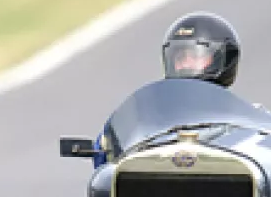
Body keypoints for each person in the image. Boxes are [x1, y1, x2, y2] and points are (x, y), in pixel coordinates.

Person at [92, 11, 243, 169]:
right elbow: (103, 157)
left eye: (195, 57)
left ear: (223, 58)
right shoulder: (144, 113)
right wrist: (107, 147)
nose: (185, 64)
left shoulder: (246, 118)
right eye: (180, 57)